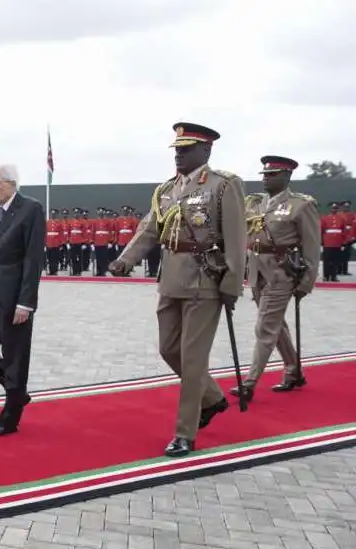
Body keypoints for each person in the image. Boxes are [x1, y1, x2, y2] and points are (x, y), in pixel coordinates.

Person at [109, 122, 246, 458]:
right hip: (170, 280)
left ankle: (185, 433)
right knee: (169, 349)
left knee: (193, 360)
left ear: (206, 150)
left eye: (186, 149)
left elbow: (237, 238)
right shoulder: (166, 189)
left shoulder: (223, 185)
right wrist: (124, 260)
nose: (179, 154)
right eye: (177, 149)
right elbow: (149, 230)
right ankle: (213, 398)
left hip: (205, 281)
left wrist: (231, 284)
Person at [231, 156, 320, 402]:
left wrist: (307, 282)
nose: (265, 178)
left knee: (265, 327)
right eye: (264, 174)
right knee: (276, 325)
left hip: (282, 273)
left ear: (286, 176)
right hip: (258, 272)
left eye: (272, 174)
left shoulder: (301, 205)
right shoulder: (256, 203)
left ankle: (249, 382)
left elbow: (312, 248)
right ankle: (294, 371)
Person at [0, 163, 45, 437]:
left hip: (15, 300)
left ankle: (9, 418)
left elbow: (33, 258)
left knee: (15, 358)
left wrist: (26, 302)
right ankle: (17, 391)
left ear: (11, 184)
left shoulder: (30, 209)